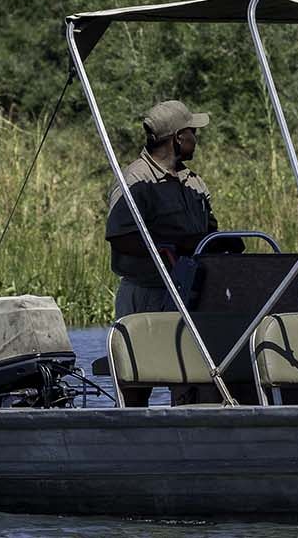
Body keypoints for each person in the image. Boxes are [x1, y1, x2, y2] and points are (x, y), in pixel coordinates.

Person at [104, 99, 228, 406]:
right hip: (146, 293)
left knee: (189, 373)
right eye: (191, 133)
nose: (195, 139)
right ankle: (132, 437)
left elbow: (208, 230)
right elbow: (121, 238)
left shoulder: (193, 182)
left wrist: (219, 242)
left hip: (189, 292)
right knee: (137, 376)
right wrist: (174, 246)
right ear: (177, 138)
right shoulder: (135, 180)